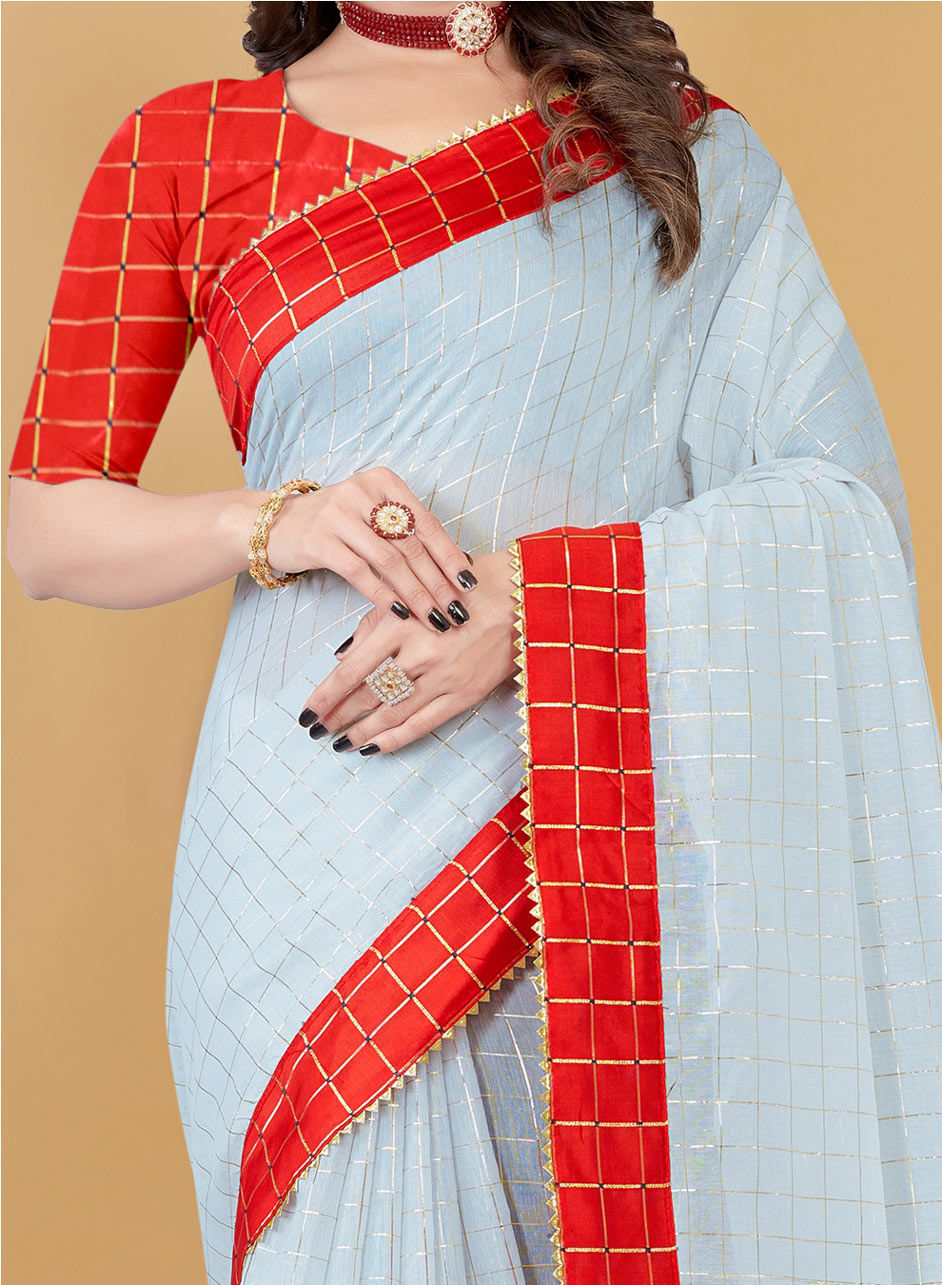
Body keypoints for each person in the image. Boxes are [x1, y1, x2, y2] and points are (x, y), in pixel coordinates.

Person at [6, 2, 941, 1283]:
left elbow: (837, 503)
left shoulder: (673, 146)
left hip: (580, 812)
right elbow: (45, 525)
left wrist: (536, 605)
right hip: (299, 849)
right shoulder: (188, 147)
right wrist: (278, 520)